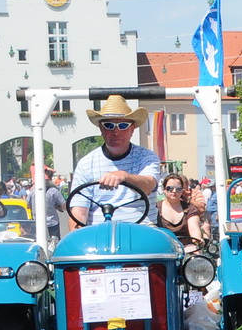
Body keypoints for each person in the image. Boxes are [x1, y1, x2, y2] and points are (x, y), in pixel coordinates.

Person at [67, 97, 161, 226]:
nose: (116, 132)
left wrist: (125, 176)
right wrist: (77, 233)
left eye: (123, 125)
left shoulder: (146, 158)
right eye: (109, 125)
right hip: (99, 235)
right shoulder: (86, 164)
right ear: (101, 128)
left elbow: (148, 185)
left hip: (141, 232)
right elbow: (79, 211)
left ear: (132, 129)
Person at [156, 175, 207, 248]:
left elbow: (194, 228)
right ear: (164, 190)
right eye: (169, 188)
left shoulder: (190, 208)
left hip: (186, 248)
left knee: (197, 255)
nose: (174, 191)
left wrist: (197, 240)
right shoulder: (156, 208)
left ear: (182, 190)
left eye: (178, 189)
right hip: (162, 248)